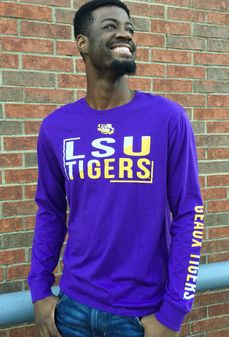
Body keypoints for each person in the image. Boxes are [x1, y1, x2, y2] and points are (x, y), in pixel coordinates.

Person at [28, 0, 204, 336]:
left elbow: (189, 213)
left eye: (129, 28)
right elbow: (50, 211)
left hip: (141, 316)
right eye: (110, 25)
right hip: (73, 308)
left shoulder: (167, 119)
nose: (124, 33)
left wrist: (174, 311)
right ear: (82, 43)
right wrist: (39, 289)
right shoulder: (56, 127)